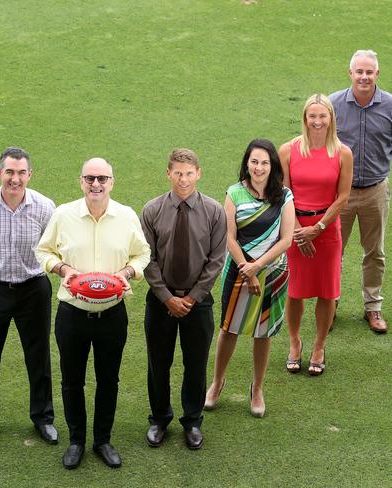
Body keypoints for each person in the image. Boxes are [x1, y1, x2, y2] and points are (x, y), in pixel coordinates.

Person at [35, 158, 150, 470]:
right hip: (72, 315)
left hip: (112, 315)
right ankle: (76, 441)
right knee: (72, 381)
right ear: (81, 181)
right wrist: (63, 268)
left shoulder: (126, 216)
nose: (96, 184)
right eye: (90, 179)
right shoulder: (63, 215)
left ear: (112, 181)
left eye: (102, 178)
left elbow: (143, 253)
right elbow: (43, 251)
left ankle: (102, 440)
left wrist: (128, 271)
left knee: (108, 380)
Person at [0, 147, 57, 446]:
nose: (15, 179)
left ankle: (43, 418)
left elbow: (51, 245)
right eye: (9, 172)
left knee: (38, 355)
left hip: (33, 288)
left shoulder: (44, 207)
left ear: (30, 175)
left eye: (21, 173)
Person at [140, 148, 226, 450]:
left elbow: (216, 260)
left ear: (198, 173)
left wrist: (191, 298)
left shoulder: (214, 211)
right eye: (177, 172)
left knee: (195, 364)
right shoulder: (151, 210)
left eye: (189, 173)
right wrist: (166, 298)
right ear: (168, 173)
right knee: (158, 363)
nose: (183, 179)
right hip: (160, 301)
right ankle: (159, 419)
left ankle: (192, 421)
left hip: (198, 303)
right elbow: (146, 259)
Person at [204, 139, 294, 418]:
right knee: (229, 328)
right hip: (238, 269)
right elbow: (228, 237)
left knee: (263, 332)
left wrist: (258, 267)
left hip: (273, 271)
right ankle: (217, 383)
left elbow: (287, 238)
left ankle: (257, 388)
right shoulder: (234, 193)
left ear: (272, 166)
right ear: (247, 163)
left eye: (265, 162)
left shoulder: (285, 195)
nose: (259, 167)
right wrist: (246, 267)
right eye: (254, 162)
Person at [279, 94, 353, 376]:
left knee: (326, 291)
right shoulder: (288, 150)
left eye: (323, 116)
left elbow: (343, 197)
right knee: (295, 291)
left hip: (326, 231)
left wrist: (318, 228)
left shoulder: (343, 152)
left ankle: (319, 345)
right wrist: (299, 231)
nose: (318, 121)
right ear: (305, 118)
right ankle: (295, 342)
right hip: (296, 230)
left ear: (331, 117)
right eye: (313, 116)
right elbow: (285, 193)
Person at [330, 49, 392, 334]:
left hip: (375, 191)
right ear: (351, 73)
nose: (364, 76)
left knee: (375, 253)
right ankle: (329, 305)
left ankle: (373, 307)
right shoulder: (333, 105)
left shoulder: (390, 106)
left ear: (377, 74)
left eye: (370, 72)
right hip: (340, 193)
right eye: (360, 71)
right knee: (333, 251)